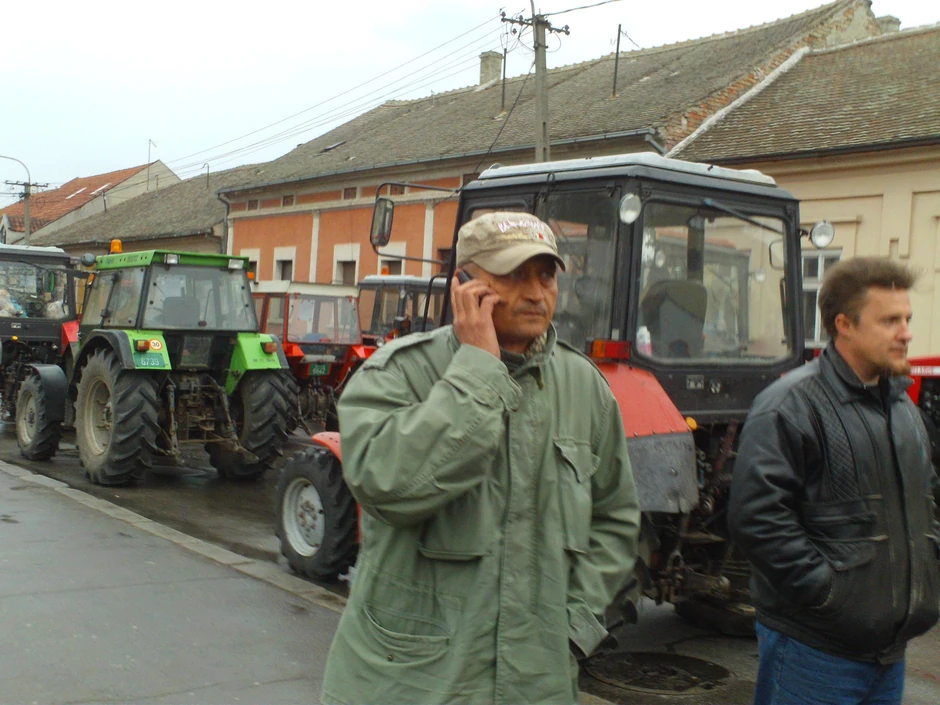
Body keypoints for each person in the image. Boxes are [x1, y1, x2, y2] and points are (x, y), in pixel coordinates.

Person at [321, 211, 640, 705]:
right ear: (464, 286)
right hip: (411, 684)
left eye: (546, 276)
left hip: (538, 685)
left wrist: (574, 628)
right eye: (514, 275)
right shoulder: (397, 374)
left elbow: (614, 520)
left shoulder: (585, 387)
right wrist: (476, 370)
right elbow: (391, 487)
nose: (535, 294)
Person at [729, 257, 939, 705]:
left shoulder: (902, 409)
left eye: (907, 319)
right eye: (890, 321)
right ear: (844, 324)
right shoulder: (790, 405)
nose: (906, 333)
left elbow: (927, 502)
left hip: (890, 653)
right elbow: (758, 519)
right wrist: (830, 595)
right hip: (814, 651)